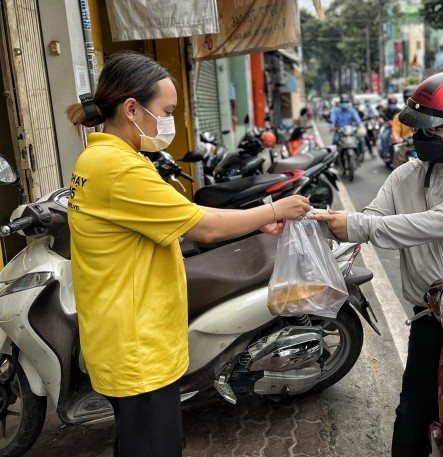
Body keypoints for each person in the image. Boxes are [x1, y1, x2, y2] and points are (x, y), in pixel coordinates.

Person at [65, 52, 310, 457]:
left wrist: (255, 221)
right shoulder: (122, 168)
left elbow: (191, 215)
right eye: (167, 111)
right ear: (132, 109)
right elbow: (206, 227)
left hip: (121, 333)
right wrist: (273, 209)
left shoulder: (100, 158)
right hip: (136, 343)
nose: (170, 122)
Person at [310, 72, 443, 456]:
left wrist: (357, 224)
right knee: (413, 409)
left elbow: (438, 222)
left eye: (436, 129)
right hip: (433, 312)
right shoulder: (403, 174)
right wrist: (316, 222)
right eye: (420, 128)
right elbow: (371, 218)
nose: (422, 137)